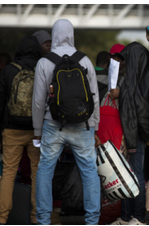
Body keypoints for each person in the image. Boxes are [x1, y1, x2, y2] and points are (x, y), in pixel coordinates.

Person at [32, 19, 101, 225]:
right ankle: (92, 220)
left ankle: (43, 220)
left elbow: (38, 100)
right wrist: (94, 126)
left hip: (53, 124)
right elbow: (94, 97)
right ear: (72, 35)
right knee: (89, 171)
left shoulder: (44, 62)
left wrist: (37, 131)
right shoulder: (85, 61)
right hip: (83, 125)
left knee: (45, 170)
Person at [0, 35, 42, 225]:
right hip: (37, 130)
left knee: (9, 173)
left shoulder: (9, 70)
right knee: (37, 174)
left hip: (11, 129)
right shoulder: (42, 68)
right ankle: (36, 217)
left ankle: (1, 218)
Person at [111, 42, 149, 225]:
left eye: (126, 59)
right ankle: (127, 215)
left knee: (134, 172)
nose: (123, 63)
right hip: (134, 130)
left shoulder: (137, 78)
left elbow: (138, 104)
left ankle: (137, 216)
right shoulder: (145, 75)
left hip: (135, 130)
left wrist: (121, 94)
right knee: (129, 172)